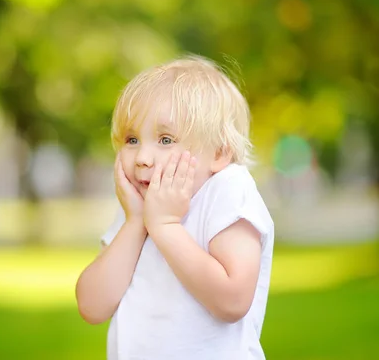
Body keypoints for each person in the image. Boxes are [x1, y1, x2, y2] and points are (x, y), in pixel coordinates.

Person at [75, 56, 274, 360]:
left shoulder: (228, 190)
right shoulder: (139, 209)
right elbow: (92, 306)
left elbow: (233, 301)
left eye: (165, 140)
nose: (142, 157)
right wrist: (136, 223)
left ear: (219, 152)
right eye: (131, 139)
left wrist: (165, 226)